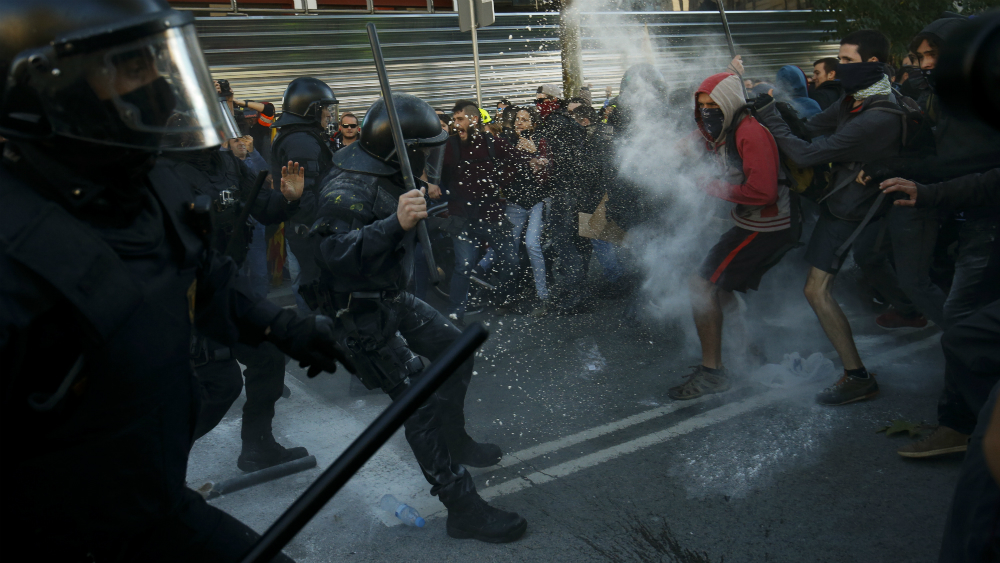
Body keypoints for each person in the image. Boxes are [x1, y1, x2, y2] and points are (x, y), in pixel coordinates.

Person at [0, 1, 349, 560]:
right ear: (48, 88)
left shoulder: (148, 185)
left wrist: (284, 329)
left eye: (158, 63)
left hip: (151, 504)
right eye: (131, 68)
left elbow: (207, 277)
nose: (159, 88)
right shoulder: (13, 245)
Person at [306, 93, 528, 543]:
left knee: (456, 349)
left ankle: (455, 438)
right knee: (417, 402)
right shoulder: (349, 187)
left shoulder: (386, 172)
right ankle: (461, 507)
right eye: (422, 150)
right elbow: (329, 254)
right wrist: (395, 223)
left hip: (392, 296)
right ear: (399, 150)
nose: (429, 158)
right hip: (359, 311)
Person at [754, 29, 903, 406]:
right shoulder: (856, 99)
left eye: (848, 60)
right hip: (846, 206)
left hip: (855, 211)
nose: (840, 67)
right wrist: (779, 108)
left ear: (872, 63)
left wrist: (768, 114)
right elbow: (809, 129)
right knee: (819, 288)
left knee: (817, 290)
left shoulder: (877, 114)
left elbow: (806, 154)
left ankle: (858, 376)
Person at [159, 128, 314, 471]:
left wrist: (288, 198)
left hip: (224, 283)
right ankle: (155, 465)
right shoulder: (159, 173)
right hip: (183, 294)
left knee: (269, 354)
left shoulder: (227, 163)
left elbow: (265, 209)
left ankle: (258, 446)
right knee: (220, 384)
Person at [668, 72, 793, 400]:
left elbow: (764, 192)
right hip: (749, 222)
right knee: (720, 289)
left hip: (766, 225)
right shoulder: (727, 127)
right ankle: (748, 350)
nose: (708, 111)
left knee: (701, 287)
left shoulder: (750, 132)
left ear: (730, 102)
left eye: (714, 104)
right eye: (702, 105)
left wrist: (710, 186)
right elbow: (701, 138)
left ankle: (712, 373)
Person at [441, 100, 525, 324]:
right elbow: (428, 166)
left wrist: (507, 177)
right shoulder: (449, 145)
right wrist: (429, 183)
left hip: (491, 214)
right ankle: (455, 315)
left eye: (460, 119)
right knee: (463, 266)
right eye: (454, 120)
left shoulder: (492, 142)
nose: (456, 124)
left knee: (510, 261)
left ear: (474, 119)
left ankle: (505, 300)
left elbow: (517, 159)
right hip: (461, 216)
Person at [270, 77, 339, 311]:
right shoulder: (301, 142)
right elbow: (305, 194)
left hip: (304, 229)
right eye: (325, 108)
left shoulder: (298, 136)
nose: (328, 114)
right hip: (309, 232)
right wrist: (324, 225)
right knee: (315, 292)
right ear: (311, 109)